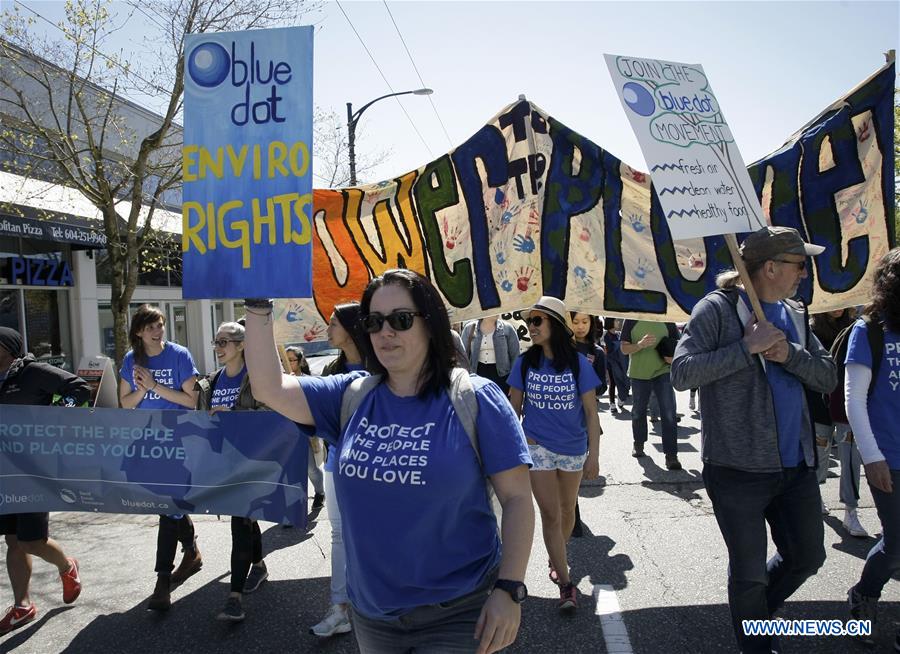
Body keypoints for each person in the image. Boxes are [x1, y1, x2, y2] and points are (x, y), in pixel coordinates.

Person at [243, 269, 534, 654]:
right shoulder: (349, 395)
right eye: (374, 322)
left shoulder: (476, 398)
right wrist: (258, 304)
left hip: (460, 611)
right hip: (373, 616)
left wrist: (509, 589)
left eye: (400, 320)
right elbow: (268, 387)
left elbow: (516, 499)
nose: (385, 332)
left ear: (430, 324)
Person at [671, 225, 836, 654]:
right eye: (800, 265)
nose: (804, 274)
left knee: (808, 557)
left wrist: (790, 355)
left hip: (795, 466)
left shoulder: (795, 313)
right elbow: (682, 373)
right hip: (736, 469)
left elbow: (828, 376)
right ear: (770, 268)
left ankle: (756, 618)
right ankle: (756, 642)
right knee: (748, 573)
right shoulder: (716, 309)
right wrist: (747, 348)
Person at [508, 296, 601, 612]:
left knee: (566, 511)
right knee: (550, 514)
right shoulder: (525, 362)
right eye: (529, 321)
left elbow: (591, 412)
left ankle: (556, 554)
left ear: (556, 326)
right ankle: (566, 583)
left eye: (537, 321)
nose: (530, 327)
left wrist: (594, 456)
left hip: (574, 449)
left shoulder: (578, 364)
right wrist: (511, 450)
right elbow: (513, 410)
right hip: (538, 448)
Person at [0, 327, 89, 636]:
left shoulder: (32, 372)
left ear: (7, 349)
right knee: (12, 539)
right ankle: (22, 605)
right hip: (4, 469)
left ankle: (67, 566)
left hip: (36, 469)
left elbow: (80, 389)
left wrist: (52, 416)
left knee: (31, 540)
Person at [118, 304, 200, 612]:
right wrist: (142, 391)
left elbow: (191, 401)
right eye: (151, 326)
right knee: (169, 504)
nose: (158, 330)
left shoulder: (179, 355)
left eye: (161, 325)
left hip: (178, 439)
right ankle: (191, 550)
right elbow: (126, 404)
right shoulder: (131, 360)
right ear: (139, 331)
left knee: (168, 507)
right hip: (147, 440)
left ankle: (162, 581)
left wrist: (155, 386)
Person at [195, 321, 270, 622]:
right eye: (216, 342)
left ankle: (234, 598)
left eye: (224, 342)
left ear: (241, 345)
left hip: (252, 462)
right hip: (223, 464)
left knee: (239, 523)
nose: (218, 348)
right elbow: (203, 423)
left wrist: (235, 416)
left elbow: (272, 415)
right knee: (246, 520)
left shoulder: (258, 380)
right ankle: (260, 566)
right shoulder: (210, 382)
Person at [845, 248, 900, 646]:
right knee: (897, 542)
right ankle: (864, 594)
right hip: (889, 455)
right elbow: (854, 400)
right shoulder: (871, 330)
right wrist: (872, 455)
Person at [310, 301, 369, 638]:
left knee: (377, 531)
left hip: (377, 466)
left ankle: (380, 604)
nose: (327, 329)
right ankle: (339, 609)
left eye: (333, 323)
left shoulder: (382, 364)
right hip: (335, 462)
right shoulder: (332, 370)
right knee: (338, 534)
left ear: (351, 327)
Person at [809, 308, 868, 535]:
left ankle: (851, 511)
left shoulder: (856, 328)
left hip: (847, 406)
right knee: (819, 455)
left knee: (851, 458)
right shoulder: (812, 329)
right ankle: (816, 498)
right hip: (820, 406)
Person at [620, 319, 682, 470]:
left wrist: (673, 357)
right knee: (638, 412)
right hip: (639, 373)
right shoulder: (630, 319)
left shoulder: (667, 318)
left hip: (663, 371)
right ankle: (638, 443)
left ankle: (671, 455)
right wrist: (640, 344)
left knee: (669, 413)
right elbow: (624, 349)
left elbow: (680, 345)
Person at [285, 345, 325, 511]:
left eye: (291, 360)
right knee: (289, 471)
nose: (287, 363)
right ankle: (294, 508)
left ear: (300, 362)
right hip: (285, 433)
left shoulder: (308, 380)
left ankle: (320, 492)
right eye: (284, 360)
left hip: (304, 432)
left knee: (310, 468)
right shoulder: (281, 380)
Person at [460, 314, 520, 396]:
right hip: (477, 373)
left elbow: (515, 356)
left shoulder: (507, 328)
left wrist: (513, 381)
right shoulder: (469, 328)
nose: (497, 312)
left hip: (502, 375)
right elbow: (462, 355)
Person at [603, 318, 630, 413]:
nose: (618, 322)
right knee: (613, 383)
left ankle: (620, 398)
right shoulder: (606, 335)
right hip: (611, 363)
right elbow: (608, 350)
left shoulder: (619, 334)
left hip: (621, 363)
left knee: (622, 381)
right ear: (611, 322)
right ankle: (612, 403)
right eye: (616, 321)